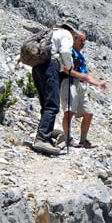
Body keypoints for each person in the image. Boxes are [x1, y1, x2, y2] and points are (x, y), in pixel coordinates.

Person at [31, 19, 82, 155]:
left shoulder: (51, 32)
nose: (74, 37)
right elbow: (65, 52)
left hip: (37, 67)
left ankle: (44, 136)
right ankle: (42, 139)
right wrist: (70, 68)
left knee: (46, 104)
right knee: (52, 105)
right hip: (51, 66)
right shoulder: (66, 35)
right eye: (75, 35)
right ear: (71, 31)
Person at [58, 32, 108, 149]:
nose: (83, 43)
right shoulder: (68, 52)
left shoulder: (80, 56)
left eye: (84, 41)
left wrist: (98, 83)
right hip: (69, 83)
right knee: (69, 112)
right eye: (81, 40)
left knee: (88, 113)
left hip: (81, 85)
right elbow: (65, 69)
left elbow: (86, 75)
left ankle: (83, 140)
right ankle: (68, 138)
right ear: (74, 40)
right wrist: (82, 77)